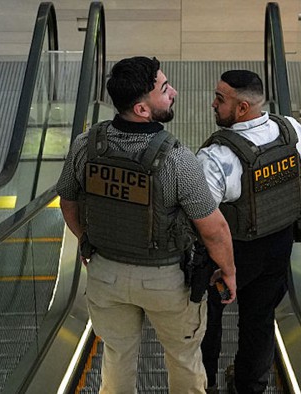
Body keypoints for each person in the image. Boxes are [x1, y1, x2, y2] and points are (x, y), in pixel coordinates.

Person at [56, 56, 237, 394]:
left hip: (105, 272)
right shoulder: (177, 160)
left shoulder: (85, 146)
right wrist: (228, 270)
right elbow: (214, 229)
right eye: (165, 89)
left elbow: (68, 203)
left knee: (117, 354)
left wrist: (86, 240)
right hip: (166, 279)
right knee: (183, 357)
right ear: (141, 109)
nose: (175, 92)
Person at [197, 70, 301, 393]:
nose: (212, 104)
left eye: (220, 100)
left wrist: (224, 265)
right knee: (260, 320)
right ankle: (251, 385)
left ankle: (204, 384)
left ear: (242, 108)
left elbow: (203, 217)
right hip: (279, 242)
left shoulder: (217, 156)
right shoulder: (291, 130)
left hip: (232, 252)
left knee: (208, 323)